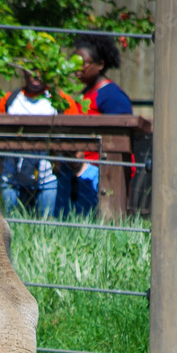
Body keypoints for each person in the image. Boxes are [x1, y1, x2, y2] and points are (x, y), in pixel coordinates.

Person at [56, 34, 133, 217]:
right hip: (76, 170)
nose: (78, 68)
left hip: (100, 173)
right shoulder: (84, 94)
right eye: (74, 63)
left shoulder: (111, 95)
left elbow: (121, 137)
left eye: (83, 63)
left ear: (100, 64)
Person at [0, 69, 58, 216]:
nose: (37, 74)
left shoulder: (58, 100)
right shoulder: (10, 100)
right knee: (10, 223)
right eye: (32, 69)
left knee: (46, 226)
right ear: (23, 70)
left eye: (41, 69)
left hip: (46, 177)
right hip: (12, 178)